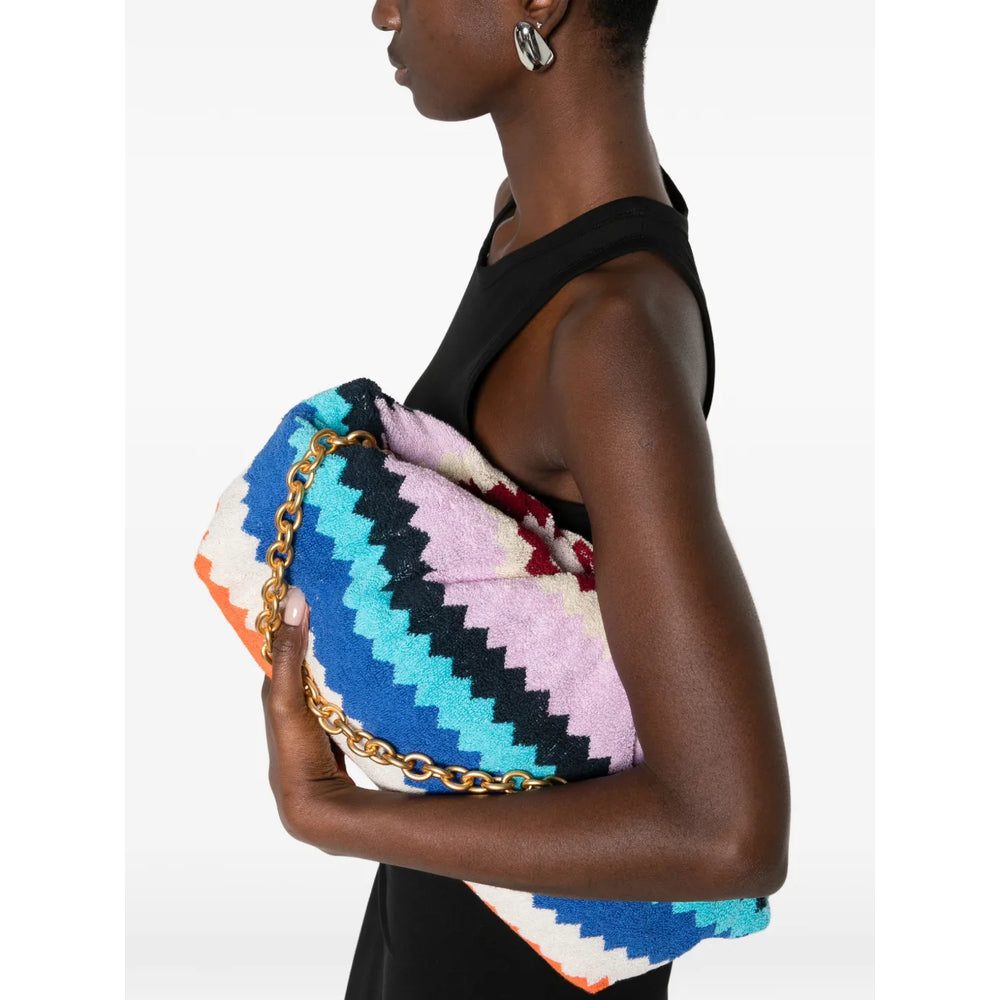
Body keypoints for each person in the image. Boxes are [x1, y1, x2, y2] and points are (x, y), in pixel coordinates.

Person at [260, 2, 791, 997]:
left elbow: (728, 833)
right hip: (440, 908)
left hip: (522, 959)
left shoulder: (612, 332)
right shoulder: (531, 224)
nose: (382, 10)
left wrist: (332, 812)